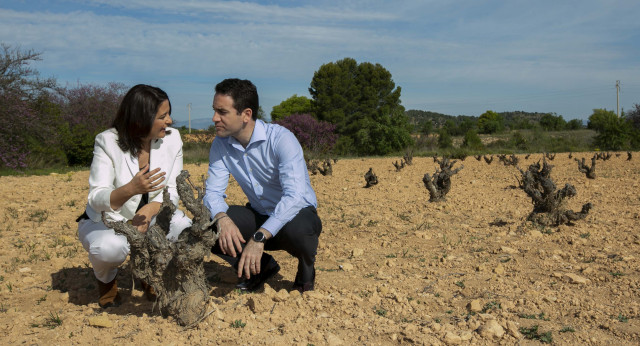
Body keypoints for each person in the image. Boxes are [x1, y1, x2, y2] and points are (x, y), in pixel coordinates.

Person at [77, 84, 192, 308]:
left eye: (168, 114)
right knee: (109, 249)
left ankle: (150, 272)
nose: (169, 121)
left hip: (153, 214)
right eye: (163, 116)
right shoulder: (107, 141)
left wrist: (149, 210)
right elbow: (96, 196)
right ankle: (106, 282)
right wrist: (131, 189)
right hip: (109, 219)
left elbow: (173, 190)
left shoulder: (173, 139)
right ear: (140, 120)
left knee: (183, 229)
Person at [204, 78, 322, 293]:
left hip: (294, 216)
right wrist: (222, 218)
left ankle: (306, 270)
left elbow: (295, 197)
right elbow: (212, 193)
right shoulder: (220, 144)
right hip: (259, 214)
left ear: (246, 115)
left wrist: (259, 237)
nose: (214, 118)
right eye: (214, 111)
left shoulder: (281, 139)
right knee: (206, 225)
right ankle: (261, 268)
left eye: (222, 112)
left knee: (301, 230)